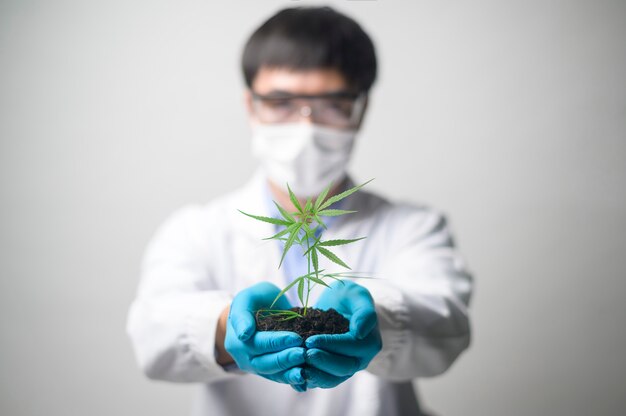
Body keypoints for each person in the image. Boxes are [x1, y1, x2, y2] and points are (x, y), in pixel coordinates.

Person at [126, 6, 473, 416]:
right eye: (281, 102)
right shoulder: (197, 230)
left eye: (332, 104)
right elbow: (153, 334)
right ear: (251, 105)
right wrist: (223, 326)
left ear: (360, 108)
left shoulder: (414, 228)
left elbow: (445, 326)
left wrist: (378, 320)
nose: (306, 126)